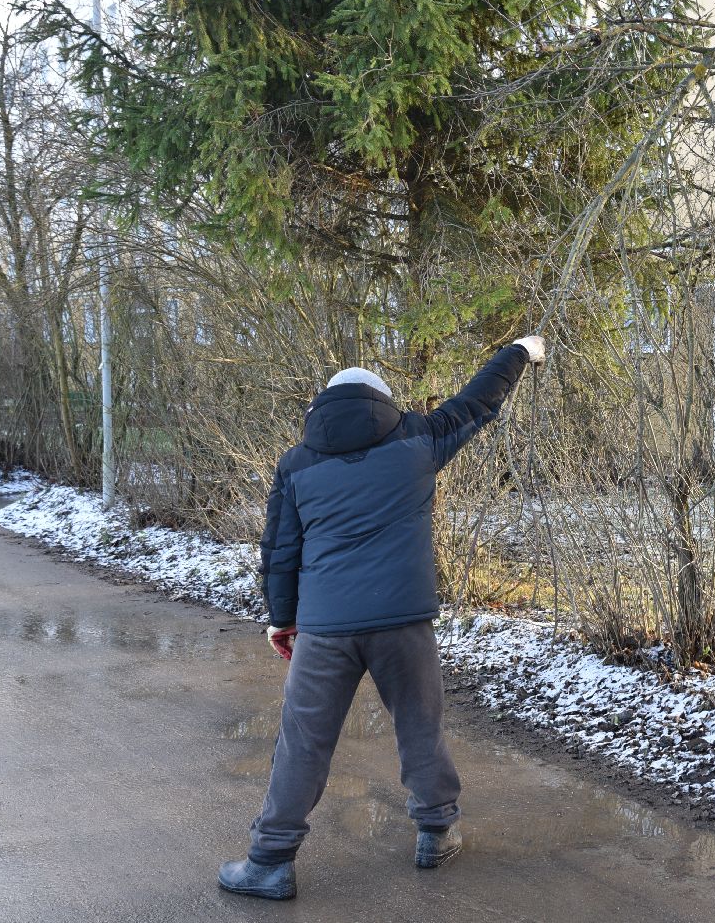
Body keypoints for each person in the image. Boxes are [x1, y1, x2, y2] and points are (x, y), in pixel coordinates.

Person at [218, 336, 546, 900]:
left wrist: (282, 619)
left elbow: (280, 551)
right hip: (402, 623)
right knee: (419, 725)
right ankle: (436, 831)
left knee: (303, 741)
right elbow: (479, 401)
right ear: (382, 401)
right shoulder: (417, 439)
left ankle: (270, 861)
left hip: (325, 628)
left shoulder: (296, 465)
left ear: (324, 405)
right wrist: (519, 350)